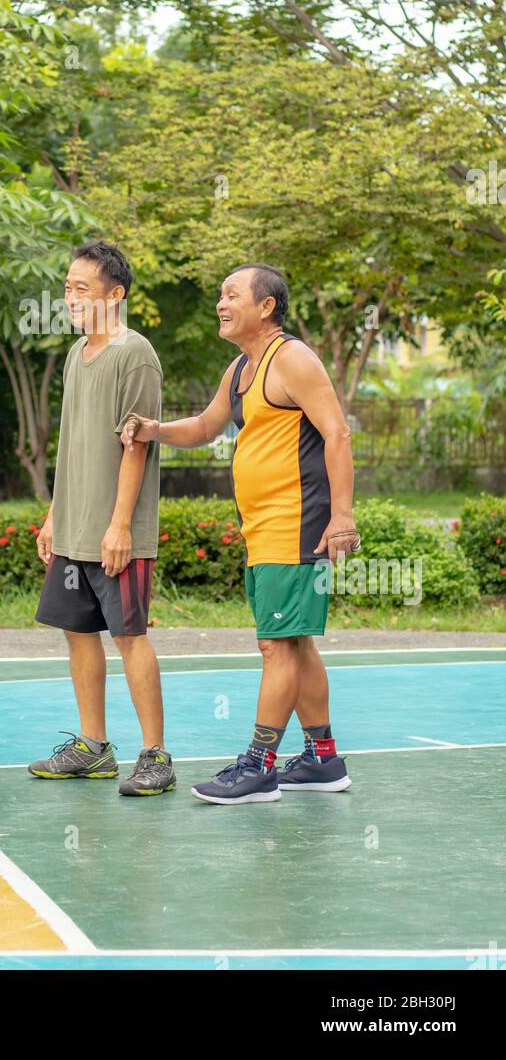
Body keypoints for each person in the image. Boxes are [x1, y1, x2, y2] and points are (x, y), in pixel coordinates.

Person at [121, 264, 358, 804]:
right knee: (293, 641)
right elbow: (206, 426)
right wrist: (155, 429)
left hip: (298, 525)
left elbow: (337, 432)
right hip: (264, 529)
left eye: (232, 295)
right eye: (220, 296)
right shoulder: (241, 369)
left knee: (276, 645)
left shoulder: (292, 359)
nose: (221, 304)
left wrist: (342, 516)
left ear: (266, 305)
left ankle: (259, 767)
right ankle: (324, 760)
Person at [29, 240, 176, 796]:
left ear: (114, 295)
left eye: (81, 288)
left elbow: (135, 446)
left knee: (129, 635)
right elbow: (74, 445)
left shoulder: (135, 354)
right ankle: (93, 748)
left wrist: (119, 526)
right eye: (66, 287)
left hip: (119, 532)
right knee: (77, 632)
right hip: (73, 527)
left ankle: (155, 755)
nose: (70, 297)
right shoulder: (75, 354)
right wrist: (53, 517)